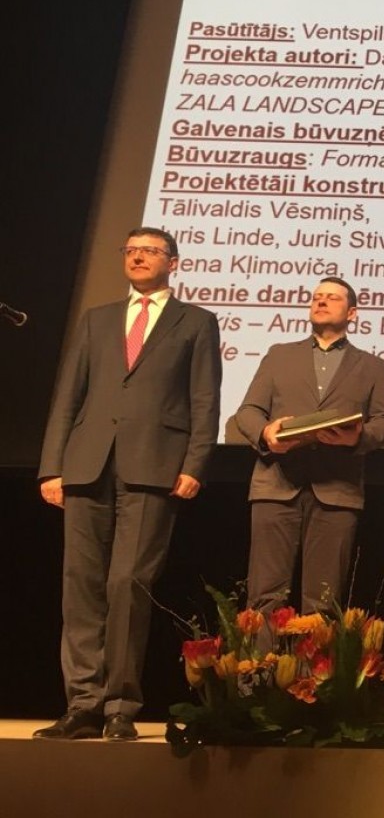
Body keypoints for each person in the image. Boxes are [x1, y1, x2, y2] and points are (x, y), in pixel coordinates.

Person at [36, 227, 221, 741]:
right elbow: (68, 396)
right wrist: (52, 466)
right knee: (81, 587)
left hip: (154, 467)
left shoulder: (196, 322)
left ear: (173, 262)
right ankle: (82, 704)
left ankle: (119, 705)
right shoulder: (97, 319)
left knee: (127, 585)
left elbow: (205, 399)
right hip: (86, 465)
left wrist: (195, 464)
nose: (138, 257)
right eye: (132, 250)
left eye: (150, 251)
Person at [234, 277, 384, 635]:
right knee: (264, 597)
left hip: (337, 490)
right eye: (317, 297)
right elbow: (247, 412)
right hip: (276, 484)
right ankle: (260, 671)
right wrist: (266, 433)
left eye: (332, 298)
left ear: (352, 313)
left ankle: (313, 672)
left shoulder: (371, 365)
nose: (321, 302)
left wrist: (357, 437)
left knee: (323, 601)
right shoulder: (280, 354)